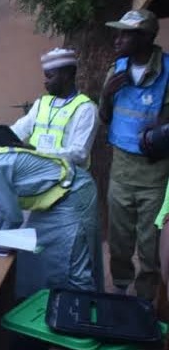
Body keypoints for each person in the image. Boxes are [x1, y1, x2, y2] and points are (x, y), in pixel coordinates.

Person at [0, 133, 103, 298]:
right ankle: (53, 302)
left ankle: (85, 314)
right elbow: (4, 208)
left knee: (72, 264)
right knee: (39, 253)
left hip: (72, 193)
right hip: (55, 197)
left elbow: (15, 217)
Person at [100, 9, 169, 300]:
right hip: (121, 170)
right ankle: (119, 289)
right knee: (119, 241)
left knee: (149, 246)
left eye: (126, 33)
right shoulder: (116, 69)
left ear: (146, 37)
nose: (118, 39)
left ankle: (144, 302)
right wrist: (105, 95)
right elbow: (106, 118)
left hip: (154, 174)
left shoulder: (167, 71)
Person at [11, 48, 98, 168]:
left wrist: (37, 151)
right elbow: (18, 130)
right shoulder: (42, 103)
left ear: (66, 76)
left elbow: (79, 153)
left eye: (49, 77)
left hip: (65, 173)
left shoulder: (86, 109)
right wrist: (3, 137)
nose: (45, 82)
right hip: (33, 167)